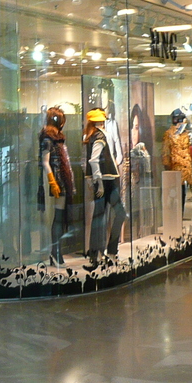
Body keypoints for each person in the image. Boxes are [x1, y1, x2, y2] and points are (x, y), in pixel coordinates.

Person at [84, 108, 127, 266]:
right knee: (115, 215)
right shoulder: (100, 135)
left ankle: (99, 253)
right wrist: (99, 182)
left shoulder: (92, 135)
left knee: (100, 217)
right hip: (106, 180)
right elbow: (93, 160)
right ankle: (107, 252)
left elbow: (91, 160)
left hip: (103, 180)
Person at [38, 107, 74, 267]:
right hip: (57, 181)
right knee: (58, 218)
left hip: (63, 179)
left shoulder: (58, 138)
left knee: (60, 216)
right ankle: (55, 253)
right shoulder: (47, 139)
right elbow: (45, 162)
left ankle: (56, 252)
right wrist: (52, 182)